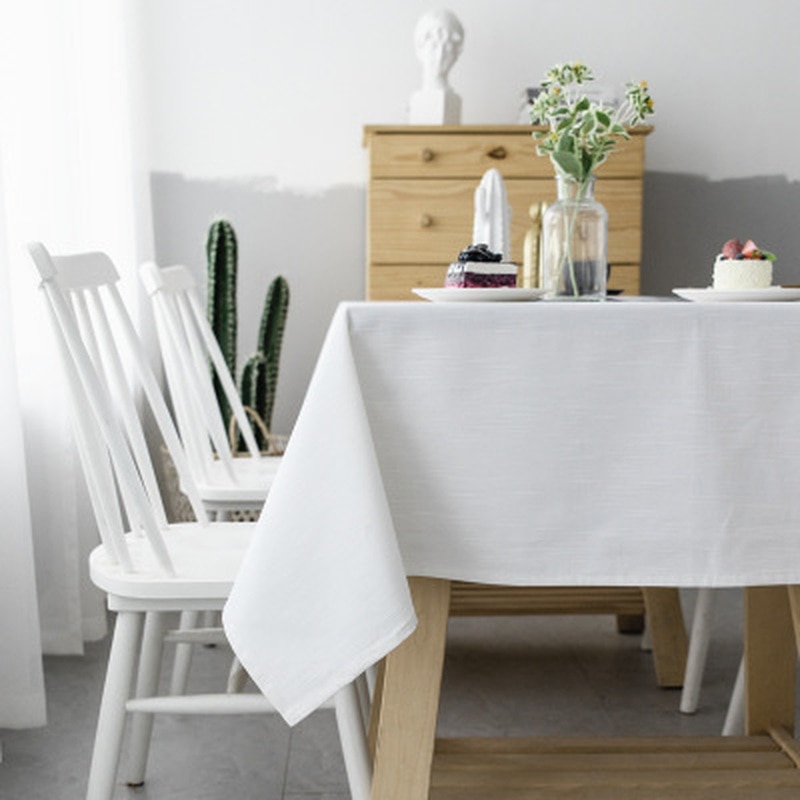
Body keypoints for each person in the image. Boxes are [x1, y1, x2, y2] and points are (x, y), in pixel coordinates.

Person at [409, 9, 464, 124]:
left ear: (456, 53)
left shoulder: (452, 101)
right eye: (434, 46)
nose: (440, 55)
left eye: (447, 48)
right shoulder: (420, 99)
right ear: (419, 49)